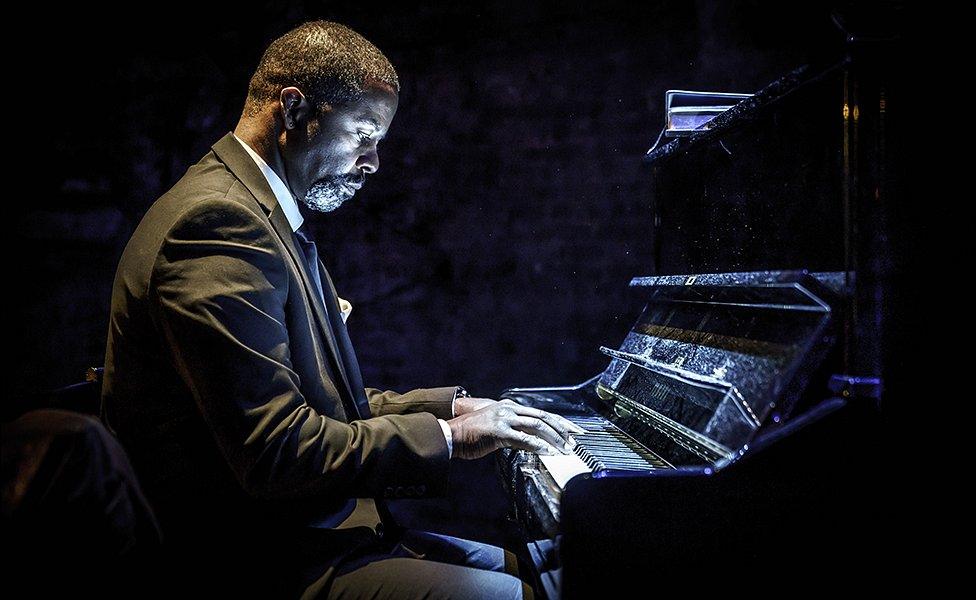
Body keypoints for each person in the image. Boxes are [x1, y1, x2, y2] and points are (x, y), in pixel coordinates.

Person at [100, 20, 583, 598]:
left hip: (307, 533)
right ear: (295, 110)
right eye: (362, 134)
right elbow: (278, 451)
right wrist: (450, 437)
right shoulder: (217, 225)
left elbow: (329, 405)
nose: (374, 161)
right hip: (256, 559)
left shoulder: (261, 215)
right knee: (534, 593)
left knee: (537, 567)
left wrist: (454, 406)